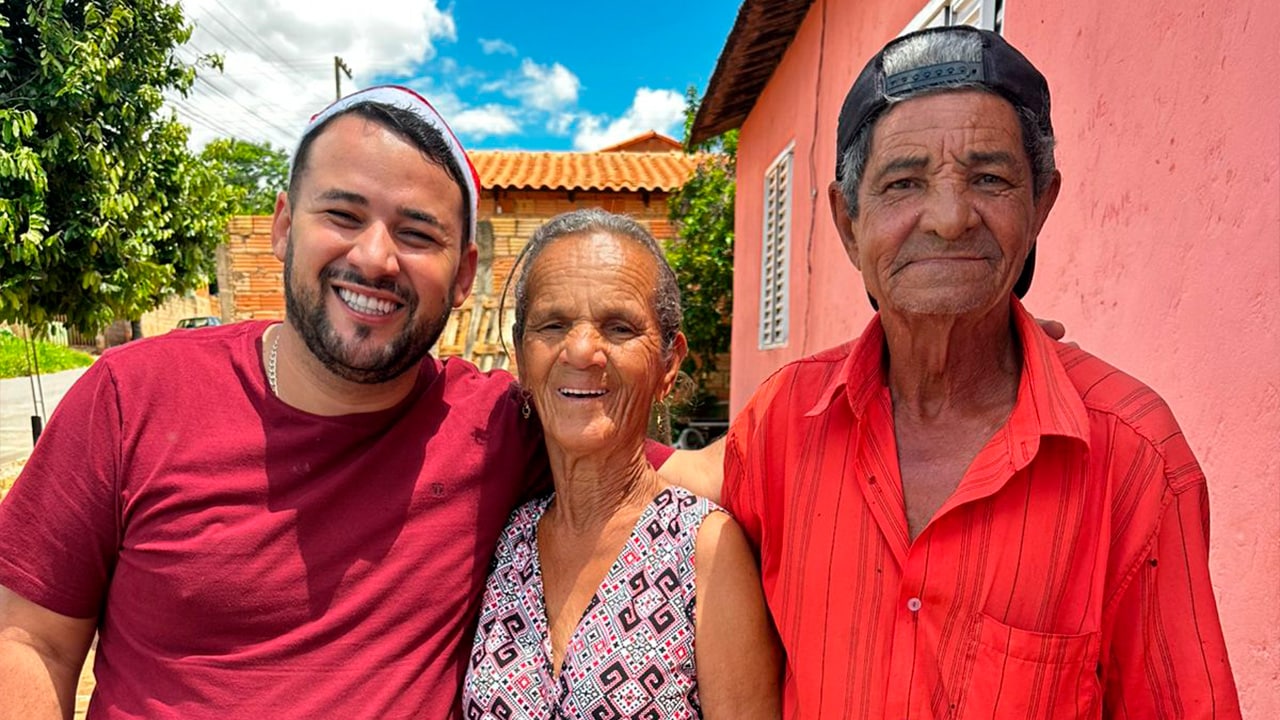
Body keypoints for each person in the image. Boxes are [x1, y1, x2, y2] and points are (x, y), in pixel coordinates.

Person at [0, 87, 679, 718]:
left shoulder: (500, 427)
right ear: (283, 228)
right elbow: (30, 637)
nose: (376, 257)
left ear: (465, 274)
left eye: (417, 234)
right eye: (343, 215)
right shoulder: (133, 397)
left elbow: (671, 483)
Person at [716, 26, 1241, 718]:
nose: (949, 217)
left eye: (989, 179)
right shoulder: (781, 424)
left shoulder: (1134, 454)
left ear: (1041, 205)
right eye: (903, 183)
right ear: (847, 224)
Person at [460, 210, 780, 718]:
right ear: (522, 354)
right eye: (553, 324)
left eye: (619, 327)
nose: (582, 350)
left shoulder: (705, 550)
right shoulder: (508, 539)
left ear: (668, 365)